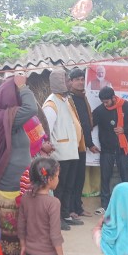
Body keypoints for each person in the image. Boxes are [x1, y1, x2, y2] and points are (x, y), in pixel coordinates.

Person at [0, 73, 38, 255]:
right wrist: (23, 87)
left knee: (16, 232)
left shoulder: (7, 118)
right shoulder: (4, 117)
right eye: (16, 96)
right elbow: (31, 108)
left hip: (16, 185)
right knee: (11, 233)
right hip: (9, 187)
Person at [43, 69, 84, 230]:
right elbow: (46, 130)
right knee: (59, 188)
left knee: (68, 186)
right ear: (60, 82)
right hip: (59, 154)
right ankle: (57, 218)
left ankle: (66, 215)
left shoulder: (65, 100)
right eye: (67, 80)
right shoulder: (51, 104)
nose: (70, 83)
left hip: (71, 152)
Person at [92, 86, 128, 215]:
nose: (105, 104)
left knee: (125, 178)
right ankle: (105, 205)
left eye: (107, 101)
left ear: (113, 98)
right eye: (103, 102)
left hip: (122, 149)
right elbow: (89, 124)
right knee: (105, 178)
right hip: (106, 150)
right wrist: (89, 143)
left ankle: (127, 205)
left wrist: (124, 129)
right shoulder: (100, 110)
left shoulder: (126, 106)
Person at [68, 67, 97, 218]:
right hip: (71, 145)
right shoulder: (69, 99)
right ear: (70, 82)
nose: (80, 82)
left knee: (80, 178)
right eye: (77, 80)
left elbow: (86, 123)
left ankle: (78, 208)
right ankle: (69, 209)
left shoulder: (82, 97)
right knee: (71, 178)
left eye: (81, 79)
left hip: (82, 145)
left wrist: (90, 144)